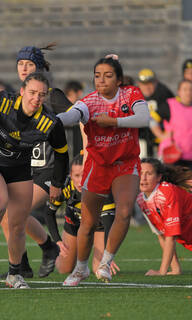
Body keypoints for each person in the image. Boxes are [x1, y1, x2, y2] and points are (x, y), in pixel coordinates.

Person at [0, 72, 69, 288]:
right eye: (32, 92)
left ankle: (14, 274)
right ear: (22, 91)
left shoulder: (50, 123)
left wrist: (57, 183)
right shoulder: (3, 100)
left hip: (19, 170)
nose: (36, 98)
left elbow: (62, 154)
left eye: (41, 94)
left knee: (18, 225)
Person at [56, 55, 150, 285]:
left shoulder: (131, 94)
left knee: (125, 212)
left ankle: (105, 263)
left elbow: (144, 118)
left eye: (108, 76)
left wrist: (114, 122)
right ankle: (81, 269)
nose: (101, 80)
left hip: (125, 164)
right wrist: (55, 119)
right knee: (87, 224)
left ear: (119, 80)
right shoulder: (89, 102)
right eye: (97, 76)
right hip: (98, 166)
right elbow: (72, 115)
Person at [43, 154, 119, 279]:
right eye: (76, 176)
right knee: (64, 269)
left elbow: (108, 223)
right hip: (74, 223)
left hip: (99, 226)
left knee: (99, 269)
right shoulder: (65, 187)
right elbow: (49, 212)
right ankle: (59, 256)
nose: (80, 180)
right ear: (70, 176)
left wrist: (108, 256)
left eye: (84, 175)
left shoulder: (102, 190)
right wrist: (58, 241)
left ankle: (96, 261)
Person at [137, 158, 192, 276]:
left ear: (158, 177)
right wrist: (175, 269)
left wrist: (161, 271)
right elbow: (162, 234)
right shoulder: (141, 200)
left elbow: (171, 236)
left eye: (149, 173)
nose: (143, 178)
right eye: (140, 173)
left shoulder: (167, 192)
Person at [136, 68, 174, 158]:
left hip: (162, 137)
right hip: (141, 136)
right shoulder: (135, 94)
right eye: (143, 84)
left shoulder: (164, 93)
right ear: (138, 84)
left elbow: (172, 115)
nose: (147, 87)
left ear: (156, 82)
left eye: (150, 84)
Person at [155, 80, 192, 169]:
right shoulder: (170, 104)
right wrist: (160, 135)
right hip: (172, 155)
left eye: (191, 89)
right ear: (178, 91)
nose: (188, 92)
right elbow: (151, 118)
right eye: (185, 89)